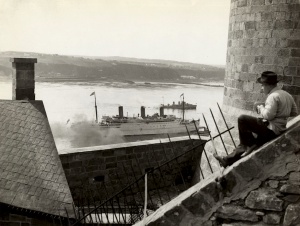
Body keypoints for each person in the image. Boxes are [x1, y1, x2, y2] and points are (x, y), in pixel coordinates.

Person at [214, 71, 298, 168]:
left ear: (268, 85)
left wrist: (261, 108)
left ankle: (245, 146)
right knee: (250, 138)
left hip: (271, 131)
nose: (262, 89)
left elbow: (268, 116)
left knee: (242, 119)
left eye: (262, 85)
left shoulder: (273, 96)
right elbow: (294, 112)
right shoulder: (287, 95)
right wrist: (280, 115)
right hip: (280, 129)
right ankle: (227, 160)